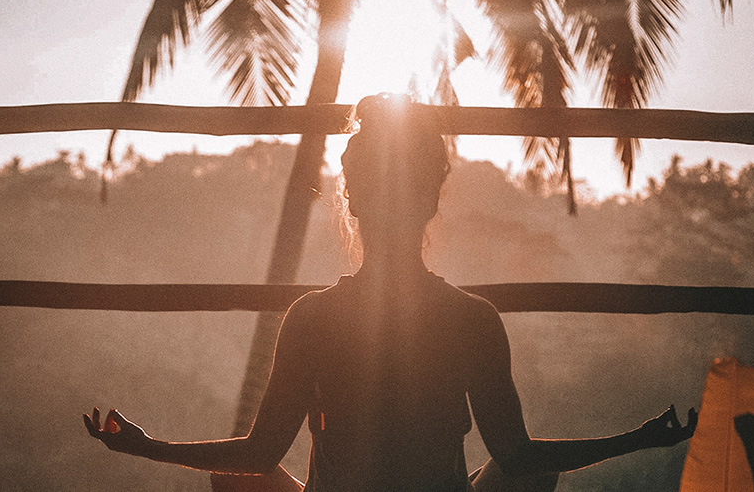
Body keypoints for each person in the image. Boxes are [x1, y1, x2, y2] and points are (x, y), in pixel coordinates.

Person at [84, 94, 697, 492]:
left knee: (234, 480)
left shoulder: (313, 317)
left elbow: (258, 453)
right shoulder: (471, 318)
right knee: (531, 478)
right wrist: (637, 438)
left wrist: (148, 447)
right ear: (431, 200)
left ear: (351, 200)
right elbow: (517, 457)